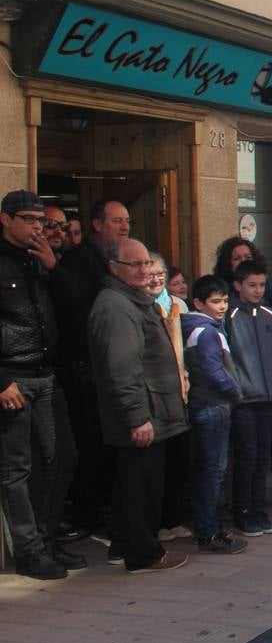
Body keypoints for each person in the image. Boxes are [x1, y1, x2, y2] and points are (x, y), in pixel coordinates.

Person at [87, 237, 189, 573]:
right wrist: (137, 418)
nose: (145, 271)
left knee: (137, 485)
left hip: (153, 411)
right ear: (114, 267)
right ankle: (143, 553)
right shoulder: (116, 306)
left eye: (147, 263)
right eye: (136, 265)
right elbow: (121, 369)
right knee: (140, 488)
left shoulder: (134, 301)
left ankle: (127, 545)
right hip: (143, 416)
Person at [0, 190, 79, 579]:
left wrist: (54, 267)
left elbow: (70, 309)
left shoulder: (38, 263)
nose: (37, 227)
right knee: (17, 470)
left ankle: (45, 541)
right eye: (28, 220)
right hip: (12, 378)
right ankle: (29, 551)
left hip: (45, 374)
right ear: (6, 220)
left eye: (40, 221)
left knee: (56, 460)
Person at [57, 198, 130, 536]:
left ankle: (101, 506)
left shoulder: (113, 260)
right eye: (117, 220)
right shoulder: (79, 262)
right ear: (98, 224)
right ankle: (86, 512)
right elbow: (75, 314)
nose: (124, 226)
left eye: (126, 220)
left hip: (107, 368)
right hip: (84, 369)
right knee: (88, 444)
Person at [181, 275, 247, 554]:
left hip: (205, 404)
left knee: (208, 469)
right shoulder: (207, 331)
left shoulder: (198, 327)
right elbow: (213, 371)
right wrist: (236, 390)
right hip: (212, 405)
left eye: (224, 300)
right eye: (215, 301)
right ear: (198, 303)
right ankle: (208, 530)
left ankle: (206, 525)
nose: (222, 306)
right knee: (213, 470)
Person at [226, 260, 272, 538]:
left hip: (268, 396)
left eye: (262, 285)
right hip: (243, 399)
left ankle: (258, 508)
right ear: (238, 286)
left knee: (263, 455)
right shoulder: (229, 315)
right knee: (247, 456)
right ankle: (243, 510)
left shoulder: (269, 315)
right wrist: (237, 387)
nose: (258, 290)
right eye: (252, 285)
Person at [147, 252, 192, 544]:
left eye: (160, 272)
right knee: (154, 466)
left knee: (178, 459)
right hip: (153, 394)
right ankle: (156, 523)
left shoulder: (177, 305)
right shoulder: (139, 306)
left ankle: (174, 518)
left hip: (180, 389)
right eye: (150, 272)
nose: (156, 278)